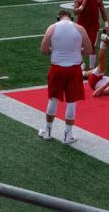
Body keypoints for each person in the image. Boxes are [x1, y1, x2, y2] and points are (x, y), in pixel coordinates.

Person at [38, 10, 93, 144]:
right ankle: (68, 135)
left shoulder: (52, 28)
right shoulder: (80, 29)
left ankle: (47, 131)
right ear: (71, 18)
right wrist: (75, 50)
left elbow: (44, 50)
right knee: (71, 102)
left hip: (57, 68)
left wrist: (56, 50)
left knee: (53, 99)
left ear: (58, 18)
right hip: (74, 68)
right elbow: (88, 50)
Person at [73, 0, 108, 73]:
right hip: (81, 27)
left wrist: (106, 24)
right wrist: (81, 7)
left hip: (93, 27)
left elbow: (103, 12)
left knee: (92, 46)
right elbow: (75, 12)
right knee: (78, 46)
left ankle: (92, 68)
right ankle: (81, 64)